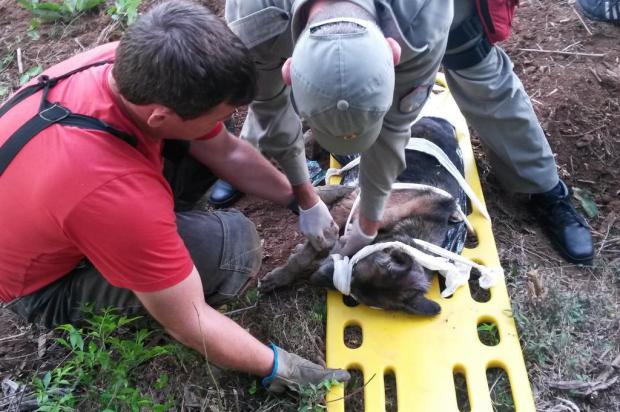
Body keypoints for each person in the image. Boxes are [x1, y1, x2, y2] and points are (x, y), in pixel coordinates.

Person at [0, 1, 348, 393]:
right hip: (47, 286)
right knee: (233, 248)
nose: (221, 124)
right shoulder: (114, 193)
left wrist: (300, 199)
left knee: (205, 137)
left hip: (59, 201)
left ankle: (145, 234)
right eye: (214, 118)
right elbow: (188, 320)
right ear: (159, 118)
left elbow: (226, 151)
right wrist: (279, 366)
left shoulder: (131, 66)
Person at [225, 0, 594, 265]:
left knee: (476, 65)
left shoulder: (424, 16)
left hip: (411, 14)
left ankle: (542, 186)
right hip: (284, 25)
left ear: (393, 51)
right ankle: (242, 160)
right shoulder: (255, 18)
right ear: (290, 68)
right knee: (263, 93)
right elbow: (270, 103)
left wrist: (369, 219)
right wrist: (305, 197)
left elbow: (395, 126)